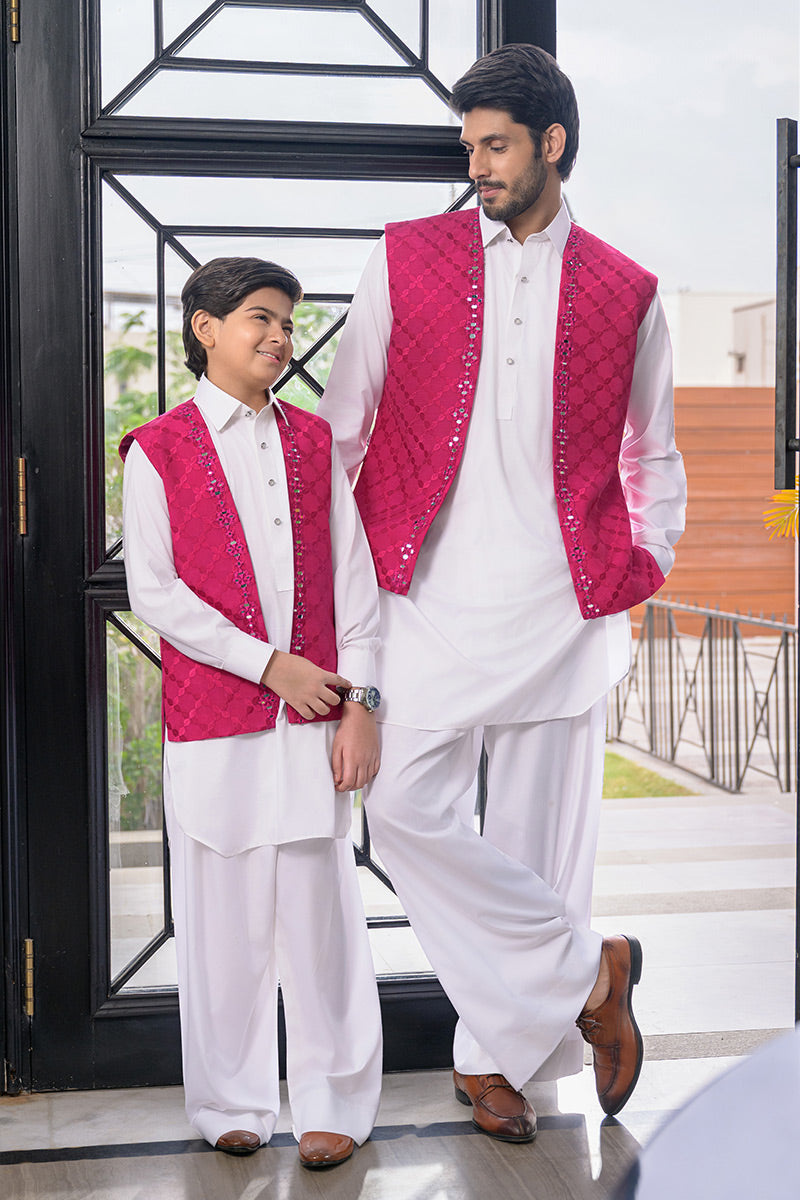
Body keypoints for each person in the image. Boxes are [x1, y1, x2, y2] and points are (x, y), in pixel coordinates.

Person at [318, 43, 686, 1143]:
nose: (474, 165)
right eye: (468, 145)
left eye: (495, 145)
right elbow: (342, 428)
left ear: (551, 144)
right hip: (425, 595)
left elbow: (652, 452)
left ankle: (495, 1063)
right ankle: (590, 974)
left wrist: (645, 558)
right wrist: (337, 588)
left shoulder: (626, 289)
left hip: (561, 603)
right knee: (399, 811)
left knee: (538, 845)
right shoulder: (406, 258)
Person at [120, 256, 383, 1169]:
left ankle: (334, 1103)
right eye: (261, 318)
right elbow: (155, 591)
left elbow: (356, 584)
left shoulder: (313, 443)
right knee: (221, 920)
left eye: (288, 323)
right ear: (206, 328)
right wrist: (271, 666)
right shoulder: (157, 449)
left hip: (316, 724)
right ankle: (230, 1101)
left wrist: (363, 705)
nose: (280, 337)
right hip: (215, 720)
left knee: (320, 920)